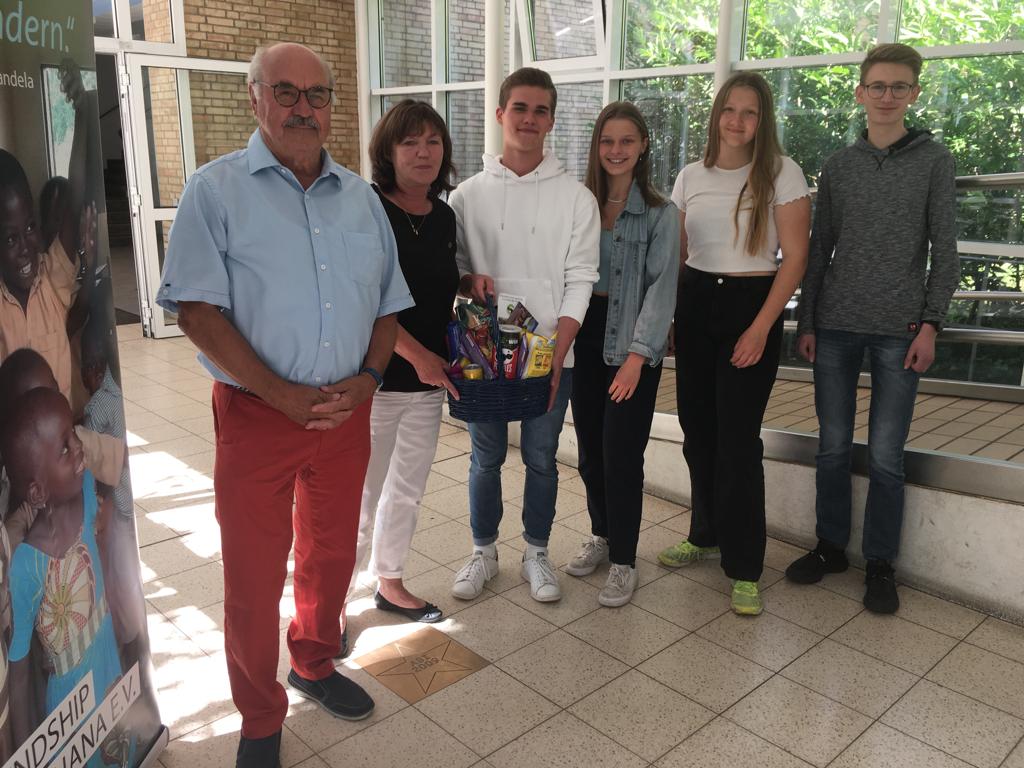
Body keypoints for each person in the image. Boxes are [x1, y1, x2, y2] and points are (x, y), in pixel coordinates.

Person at [157, 43, 413, 768]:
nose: (304, 108)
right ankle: (260, 715)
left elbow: (387, 307)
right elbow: (195, 310)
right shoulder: (215, 191)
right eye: (286, 92)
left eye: (317, 94)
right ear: (255, 98)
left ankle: (314, 660)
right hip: (257, 416)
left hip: (345, 414)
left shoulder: (362, 199)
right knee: (253, 573)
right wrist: (280, 395)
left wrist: (369, 378)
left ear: (332, 104)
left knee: (330, 555)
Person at [785, 44, 959, 614]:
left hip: (900, 331)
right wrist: (808, 320)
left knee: (886, 454)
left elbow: (945, 251)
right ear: (861, 93)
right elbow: (819, 249)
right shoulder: (839, 165)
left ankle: (880, 563)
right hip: (835, 326)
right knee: (832, 446)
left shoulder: (935, 161)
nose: (887, 96)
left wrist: (931, 325)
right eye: (878, 86)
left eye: (899, 86)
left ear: (914, 93)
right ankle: (831, 546)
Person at [658, 72, 811, 616]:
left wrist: (761, 327)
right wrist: (670, 318)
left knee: (739, 443)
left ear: (762, 120)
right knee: (698, 433)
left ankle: (745, 566)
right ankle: (705, 535)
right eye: (729, 109)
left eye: (750, 112)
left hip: (751, 306)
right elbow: (678, 256)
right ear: (716, 115)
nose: (738, 121)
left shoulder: (782, 172)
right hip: (696, 305)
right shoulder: (690, 176)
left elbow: (794, 258)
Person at [449, 67, 599, 603]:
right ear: (500, 114)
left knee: (541, 459)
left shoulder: (576, 198)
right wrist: (467, 281)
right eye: (520, 108)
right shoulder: (465, 196)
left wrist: (559, 352)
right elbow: (452, 271)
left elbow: (581, 278)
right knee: (485, 459)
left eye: (540, 111)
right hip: (484, 357)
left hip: (549, 356)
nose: (529, 119)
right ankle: (483, 552)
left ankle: (537, 552)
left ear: (551, 120)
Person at [346, 99, 460, 624]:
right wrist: (418, 358)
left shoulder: (444, 216)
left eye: (432, 141)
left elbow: (430, 285)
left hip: (427, 382)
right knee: (358, 495)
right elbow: (365, 299)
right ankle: (333, 602)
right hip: (374, 380)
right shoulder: (367, 209)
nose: (423, 152)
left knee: (408, 490)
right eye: (410, 142)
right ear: (388, 152)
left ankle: (389, 582)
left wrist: (469, 281)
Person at [565, 102, 679, 607]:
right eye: (607, 140)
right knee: (590, 452)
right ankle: (603, 535)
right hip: (583, 335)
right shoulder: (580, 205)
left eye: (627, 140)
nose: (616, 150)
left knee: (622, 456)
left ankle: (625, 560)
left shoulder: (660, 212)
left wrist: (637, 357)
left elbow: (662, 289)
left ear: (643, 146)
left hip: (630, 343)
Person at [3, 387, 125, 767]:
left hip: (109, 663)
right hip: (72, 703)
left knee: (121, 749)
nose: (79, 449)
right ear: (37, 492)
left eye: (74, 434)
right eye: (64, 448)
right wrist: (28, 757)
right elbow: (19, 675)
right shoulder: (26, 565)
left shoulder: (87, 490)